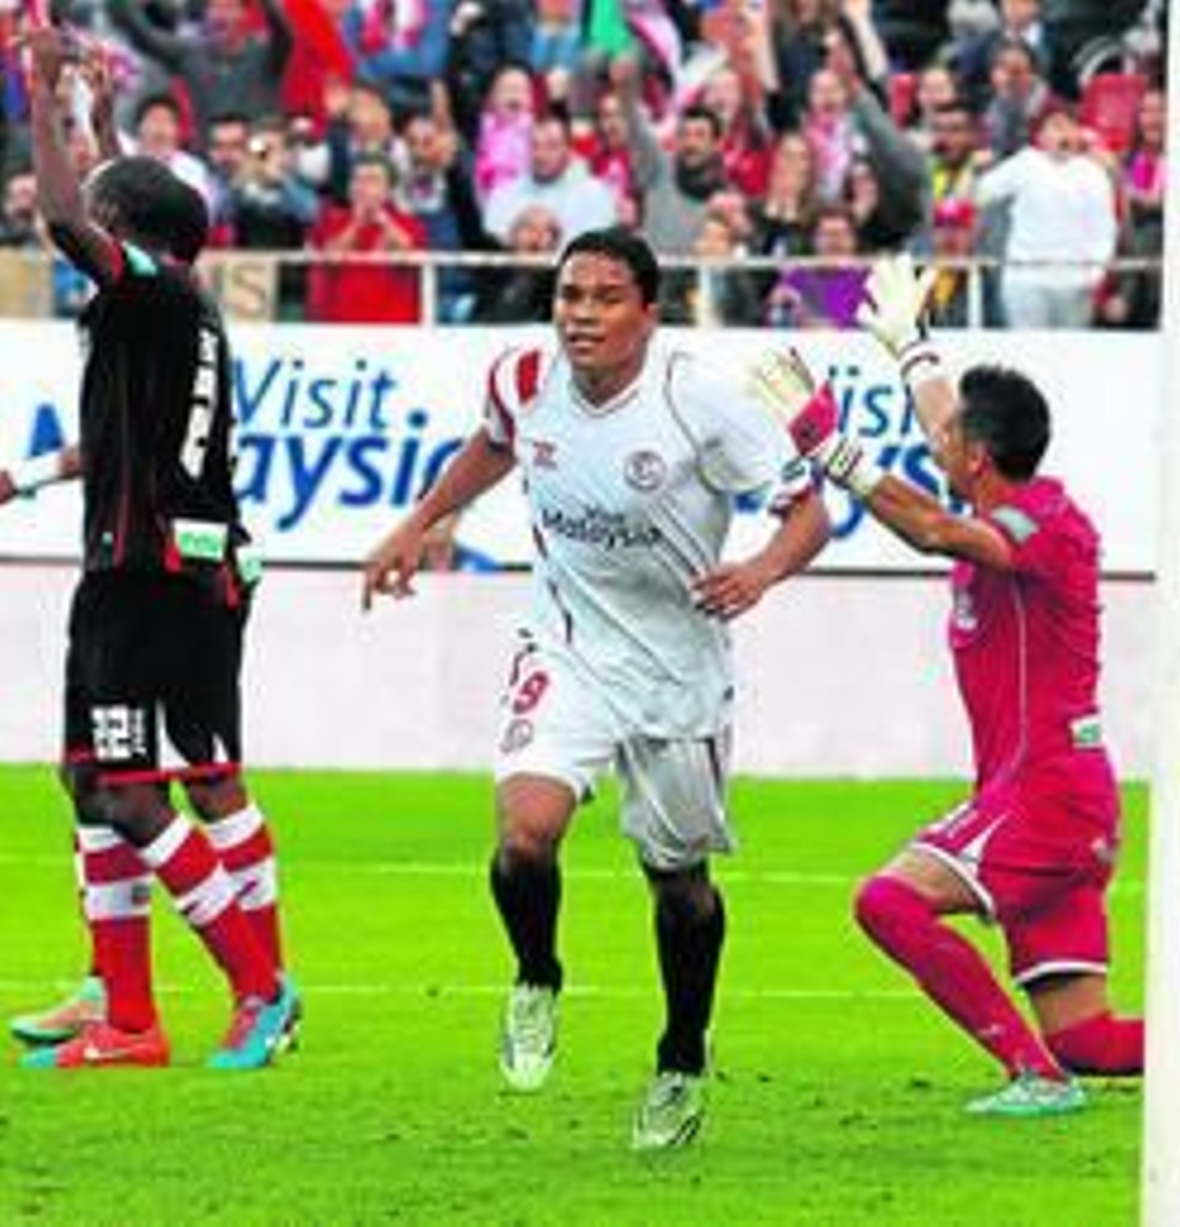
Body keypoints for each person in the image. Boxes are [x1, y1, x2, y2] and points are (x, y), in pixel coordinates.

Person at [744, 255, 1180, 1115]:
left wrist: (831, 447)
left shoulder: (1045, 523)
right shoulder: (996, 494)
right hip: (1059, 797)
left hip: (1043, 792)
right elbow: (943, 445)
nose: (937, 438)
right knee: (1089, 1036)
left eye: (953, 435)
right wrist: (912, 349)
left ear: (979, 454)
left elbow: (929, 529)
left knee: (887, 901)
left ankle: (1031, 1075)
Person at [361, 226, 830, 1148]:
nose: (581, 316)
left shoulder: (701, 402)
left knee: (679, 883)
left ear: (649, 313)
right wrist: (419, 521)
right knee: (525, 836)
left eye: (605, 297)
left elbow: (807, 511)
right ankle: (537, 974)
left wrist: (762, 570)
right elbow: (493, 443)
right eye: (569, 295)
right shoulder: (523, 378)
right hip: (566, 643)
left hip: (676, 665)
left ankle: (682, 1055)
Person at [6, 21, 298, 1069]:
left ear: (129, 237)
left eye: (106, 218)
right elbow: (115, 194)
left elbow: (61, 212)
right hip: (154, 567)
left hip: (155, 573)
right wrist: (96, 104)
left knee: (147, 786)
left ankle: (258, 986)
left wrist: (38, 96)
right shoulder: (178, 309)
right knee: (91, 778)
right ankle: (123, 1006)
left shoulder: (152, 295)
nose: (90, 216)